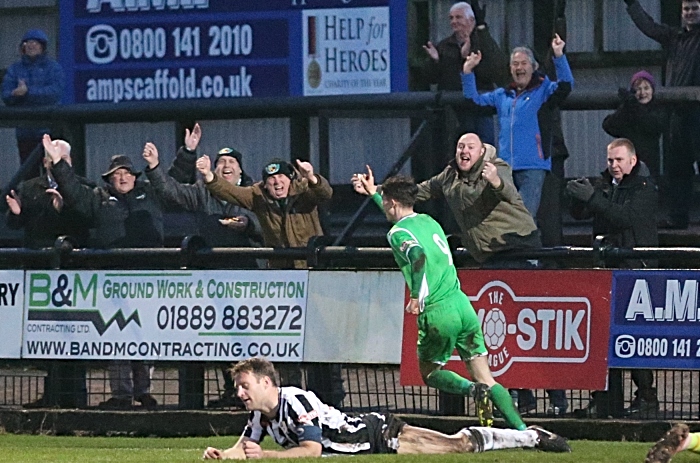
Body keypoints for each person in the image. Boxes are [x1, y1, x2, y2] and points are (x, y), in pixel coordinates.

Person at [352, 172, 528, 431]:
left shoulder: (396, 233)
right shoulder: (428, 221)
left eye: (385, 201)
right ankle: (524, 432)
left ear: (392, 202)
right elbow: (405, 224)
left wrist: (416, 297)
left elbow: (417, 255)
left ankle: (472, 390)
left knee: (431, 373)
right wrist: (373, 193)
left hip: (438, 312)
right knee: (487, 377)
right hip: (462, 305)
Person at [202, 357, 570, 459]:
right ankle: (526, 435)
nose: (239, 392)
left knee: (457, 445)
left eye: (244, 385)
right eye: (238, 386)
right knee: (455, 444)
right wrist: (224, 454)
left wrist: (264, 458)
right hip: (368, 436)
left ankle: (528, 436)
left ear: (267, 383)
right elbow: (243, 446)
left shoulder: (295, 399)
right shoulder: (260, 414)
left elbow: (312, 451)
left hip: (377, 434)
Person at [197, 154, 344, 407]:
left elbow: (324, 193)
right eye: (271, 179)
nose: (277, 183)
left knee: (322, 341)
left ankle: (331, 400)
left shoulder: (303, 191)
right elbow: (231, 192)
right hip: (282, 283)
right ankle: (292, 399)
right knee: (286, 342)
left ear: (290, 179)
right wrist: (209, 176)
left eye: (281, 178)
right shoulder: (258, 195)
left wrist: (311, 177)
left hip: (314, 277)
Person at [43, 135, 163, 411]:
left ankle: (144, 392)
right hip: (113, 279)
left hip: (148, 278)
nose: (122, 179)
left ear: (135, 176)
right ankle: (122, 394)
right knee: (117, 336)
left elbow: (172, 183)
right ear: (109, 179)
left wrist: (187, 152)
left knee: (147, 335)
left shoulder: (150, 193)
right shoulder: (99, 196)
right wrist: (59, 163)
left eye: (126, 174)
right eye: (116, 175)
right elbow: (74, 192)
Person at [566, 138, 659, 418]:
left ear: (633, 160)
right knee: (603, 338)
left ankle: (646, 399)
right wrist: (577, 196)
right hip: (606, 270)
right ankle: (605, 399)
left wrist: (593, 198)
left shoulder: (645, 188)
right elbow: (581, 213)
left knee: (634, 338)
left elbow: (624, 217)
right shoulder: (605, 184)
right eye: (610, 160)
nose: (614, 166)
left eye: (619, 160)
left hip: (635, 272)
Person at [356, 133, 539, 266]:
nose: (464, 151)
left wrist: (496, 181)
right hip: (486, 254)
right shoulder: (450, 175)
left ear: (482, 151)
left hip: (515, 246)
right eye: (460, 147)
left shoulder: (495, 167)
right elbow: (417, 192)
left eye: (470, 147)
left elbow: (510, 195)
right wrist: (376, 190)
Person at [5, 145, 91, 409]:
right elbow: (13, 225)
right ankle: (52, 395)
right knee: (46, 336)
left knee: (76, 335)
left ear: (70, 161)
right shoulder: (29, 187)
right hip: (40, 272)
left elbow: (87, 221)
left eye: (63, 158)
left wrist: (63, 208)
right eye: (54, 158)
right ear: (45, 162)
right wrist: (16, 214)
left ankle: (77, 397)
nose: (58, 162)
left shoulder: (84, 187)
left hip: (73, 273)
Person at [461, 34, 573, 217]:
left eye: (523, 63)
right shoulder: (502, 94)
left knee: (524, 216)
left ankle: (527, 245)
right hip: (505, 167)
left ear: (533, 67)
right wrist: (467, 72)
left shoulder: (544, 89)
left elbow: (566, 86)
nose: (519, 68)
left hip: (533, 166)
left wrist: (559, 56)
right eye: (515, 64)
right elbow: (474, 103)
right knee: (506, 217)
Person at [622, 0, 700, 229]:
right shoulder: (675, 37)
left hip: (698, 111)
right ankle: (678, 217)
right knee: (677, 168)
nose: (690, 13)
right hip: (677, 110)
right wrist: (632, 4)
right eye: (686, 9)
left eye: (695, 8)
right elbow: (650, 27)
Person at [422, 1, 509, 145]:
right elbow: (431, 78)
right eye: (451, 18)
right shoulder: (444, 46)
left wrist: (468, 58)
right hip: (453, 114)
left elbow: (496, 73)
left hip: (480, 112)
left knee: (483, 155)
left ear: (471, 20)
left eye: (458, 17)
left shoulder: (484, 43)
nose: (454, 21)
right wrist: (435, 61)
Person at [1, 29, 64, 179]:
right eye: (27, 43)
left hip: (51, 130)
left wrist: (28, 92)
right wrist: (14, 94)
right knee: (29, 176)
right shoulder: (15, 69)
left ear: (42, 47)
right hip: (25, 132)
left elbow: (55, 92)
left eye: (35, 43)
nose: (31, 46)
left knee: (55, 174)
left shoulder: (53, 68)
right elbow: (6, 95)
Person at [602, 70, 668, 180]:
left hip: (649, 166)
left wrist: (632, 104)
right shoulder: (628, 110)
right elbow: (609, 126)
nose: (642, 93)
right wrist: (625, 106)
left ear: (653, 90)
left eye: (646, 88)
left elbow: (653, 125)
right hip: (627, 166)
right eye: (638, 89)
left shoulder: (658, 110)